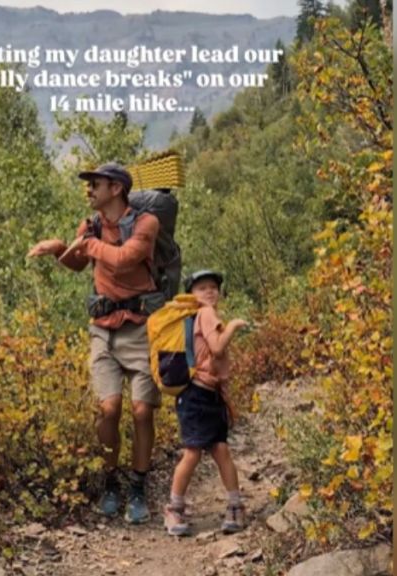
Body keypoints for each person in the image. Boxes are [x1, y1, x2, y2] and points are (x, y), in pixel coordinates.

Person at [27, 162, 161, 524]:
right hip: (102, 329)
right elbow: (77, 263)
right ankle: (110, 483)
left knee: (142, 411)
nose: (88, 190)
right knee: (108, 409)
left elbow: (122, 260)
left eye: (95, 184)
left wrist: (88, 243)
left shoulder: (146, 224)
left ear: (116, 188)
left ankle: (138, 486)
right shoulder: (91, 226)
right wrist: (59, 248)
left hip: (141, 328)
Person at [162, 270, 249, 536]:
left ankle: (234, 504)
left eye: (213, 287)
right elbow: (218, 347)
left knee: (220, 449)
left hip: (204, 393)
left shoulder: (197, 316)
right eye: (202, 288)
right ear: (192, 295)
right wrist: (233, 325)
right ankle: (175, 508)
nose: (210, 291)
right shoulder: (206, 314)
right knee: (193, 452)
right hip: (197, 395)